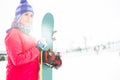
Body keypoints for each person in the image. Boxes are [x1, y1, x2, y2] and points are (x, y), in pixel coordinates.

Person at [5, 0, 41, 80]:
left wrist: (50, 56)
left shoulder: (31, 37)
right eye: (26, 14)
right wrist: (37, 49)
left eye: (31, 15)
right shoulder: (13, 34)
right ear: (19, 16)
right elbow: (17, 60)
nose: (29, 18)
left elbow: (35, 57)